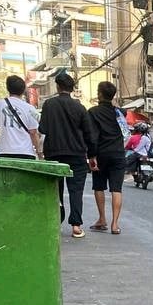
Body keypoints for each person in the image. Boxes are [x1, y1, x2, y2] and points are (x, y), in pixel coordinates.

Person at [38, 71, 97, 239]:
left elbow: (43, 129)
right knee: (76, 190)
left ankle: (57, 221)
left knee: (55, 189)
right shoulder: (80, 107)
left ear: (57, 87)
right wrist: (92, 156)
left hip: (54, 153)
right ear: (72, 88)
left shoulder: (49, 105)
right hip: (76, 154)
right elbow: (89, 134)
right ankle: (76, 226)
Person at [87, 81, 126, 234]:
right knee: (117, 189)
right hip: (118, 153)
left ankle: (102, 218)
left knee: (99, 186)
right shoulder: (120, 113)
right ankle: (115, 224)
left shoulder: (93, 112)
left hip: (101, 154)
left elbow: (92, 136)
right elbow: (126, 133)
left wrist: (91, 155)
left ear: (99, 94)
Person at [0, 75, 41, 160]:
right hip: (26, 152)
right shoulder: (30, 108)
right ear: (23, 90)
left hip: (6, 151)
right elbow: (33, 133)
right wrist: (39, 152)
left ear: (8, 88)